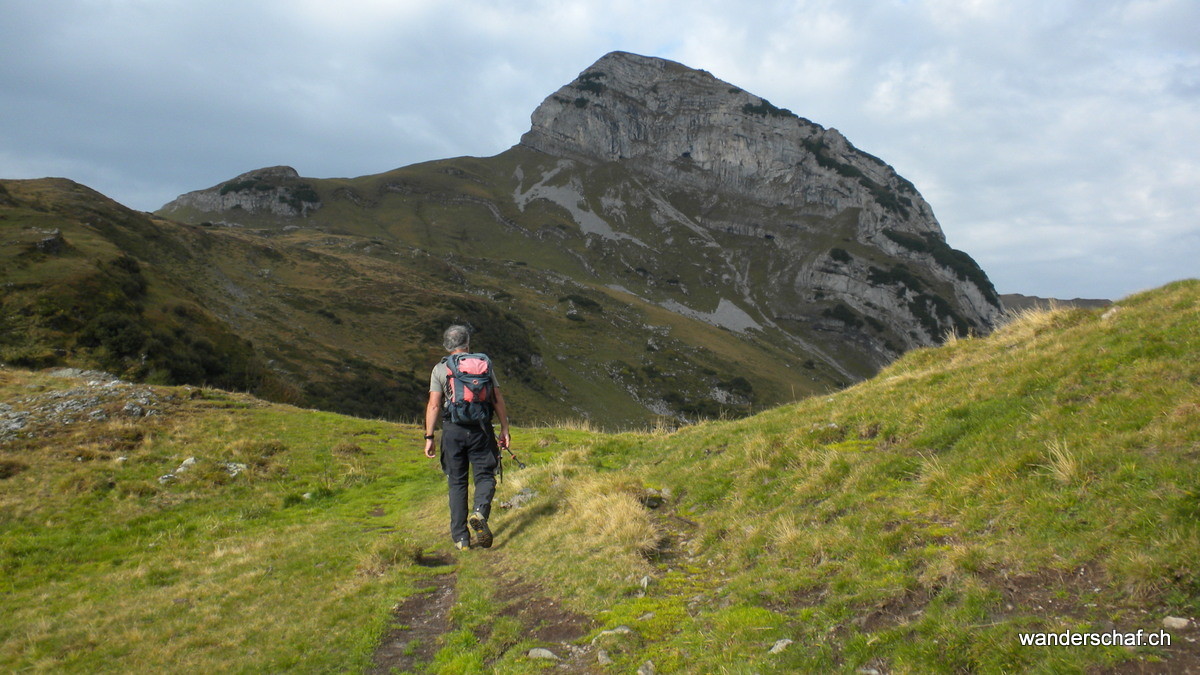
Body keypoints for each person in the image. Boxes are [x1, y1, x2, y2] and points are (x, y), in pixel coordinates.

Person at [423, 325, 511, 550]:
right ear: (468, 345)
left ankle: (461, 538)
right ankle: (480, 512)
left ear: (446, 345)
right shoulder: (483, 366)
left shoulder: (440, 368)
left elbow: (434, 405)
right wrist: (504, 428)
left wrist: (429, 436)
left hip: (453, 431)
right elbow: (496, 398)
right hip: (481, 430)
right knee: (484, 475)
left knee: (457, 481)